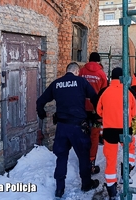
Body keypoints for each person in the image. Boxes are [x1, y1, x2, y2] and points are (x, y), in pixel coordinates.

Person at [36, 62, 99, 199]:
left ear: (67, 71)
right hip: (78, 127)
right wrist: (96, 114)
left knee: (61, 157)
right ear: (76, 72)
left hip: (62, 127)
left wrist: (41, 113)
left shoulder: (57, 84)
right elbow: (95, 98)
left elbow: (40, 101)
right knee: (83, 156)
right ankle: (86, 183)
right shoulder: (81, 82)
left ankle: (59, 188)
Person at [96, 67, 136, 199]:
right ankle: (126, 173)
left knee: (110, 158)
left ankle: (111, 189)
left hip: (109, 130)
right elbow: (134, 112)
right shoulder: (128, 93)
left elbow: (98, 111)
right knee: (129, 150)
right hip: (125, 128)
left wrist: (108, 115)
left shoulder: (105, 92)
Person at [79, 52, 108, 175]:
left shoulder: (81, 71)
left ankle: (82, 160)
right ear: (98, 61)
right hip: (96, 110)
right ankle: (91, 162)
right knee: (94, 136)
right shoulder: (101, 74)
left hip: (81, 108)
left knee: (82, 133)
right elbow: (104, 92)